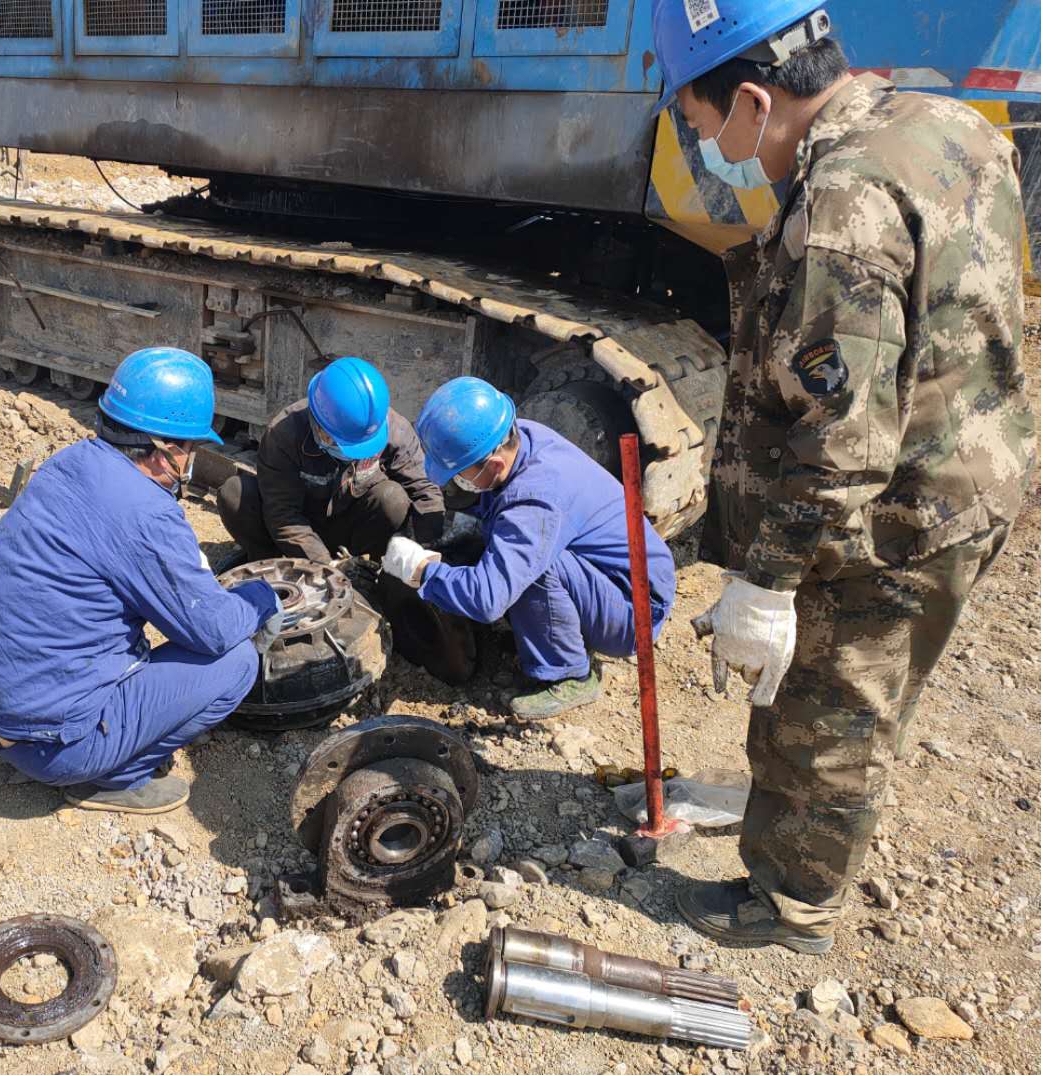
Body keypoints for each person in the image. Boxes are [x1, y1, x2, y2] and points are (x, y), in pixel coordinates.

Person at [651, 0, 1034, 952]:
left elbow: (843, 441)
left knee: (824, 714)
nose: (710, 148)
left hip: (898, 513)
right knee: (863, 696)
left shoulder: (839, 205)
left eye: (701, 125)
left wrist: (768, 583)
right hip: (972, 463)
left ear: (752, 99)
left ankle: (790, 906)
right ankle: (814, 848)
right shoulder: (939, 121)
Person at [0, 347, 283, 814]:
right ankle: (114, 779)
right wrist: (260, 599)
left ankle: (80, 743)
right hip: (51, 746)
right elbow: (212, 629)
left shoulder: (70, 463)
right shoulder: (144, 513)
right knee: (236, 661)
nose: (192, 459)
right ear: (165, 451)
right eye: (191, 447)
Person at [380, 376, 677, 720]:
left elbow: (487, 601)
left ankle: (570, 675)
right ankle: (557, 628)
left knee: (532, 568)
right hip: (616, 574)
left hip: (636, 609)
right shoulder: (522, 437)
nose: (453, 483)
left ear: (494, 464)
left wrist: (423, 571)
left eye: (460, 474)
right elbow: (499, 504)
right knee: (511, 554)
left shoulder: (533, 503)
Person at [217, 356, 444, 565]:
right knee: (235, 493)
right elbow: (283, 514)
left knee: (392, 498)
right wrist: (327, 568)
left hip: (349, 526)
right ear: (317, 422)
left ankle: (373, 569)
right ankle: (271, 565)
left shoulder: (392, 429)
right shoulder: (284, 434)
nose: (349, 453)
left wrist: (428, 553)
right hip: (298, 526)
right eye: (338, 442)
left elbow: (424, 489)